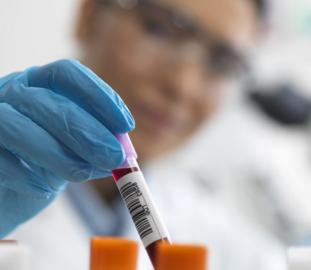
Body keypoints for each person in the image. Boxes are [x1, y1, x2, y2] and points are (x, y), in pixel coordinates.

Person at [0, 0, 286, 269]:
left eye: (222, 63)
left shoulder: (238, 252)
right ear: (89, 16)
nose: (182, 85)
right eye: (158, 28)